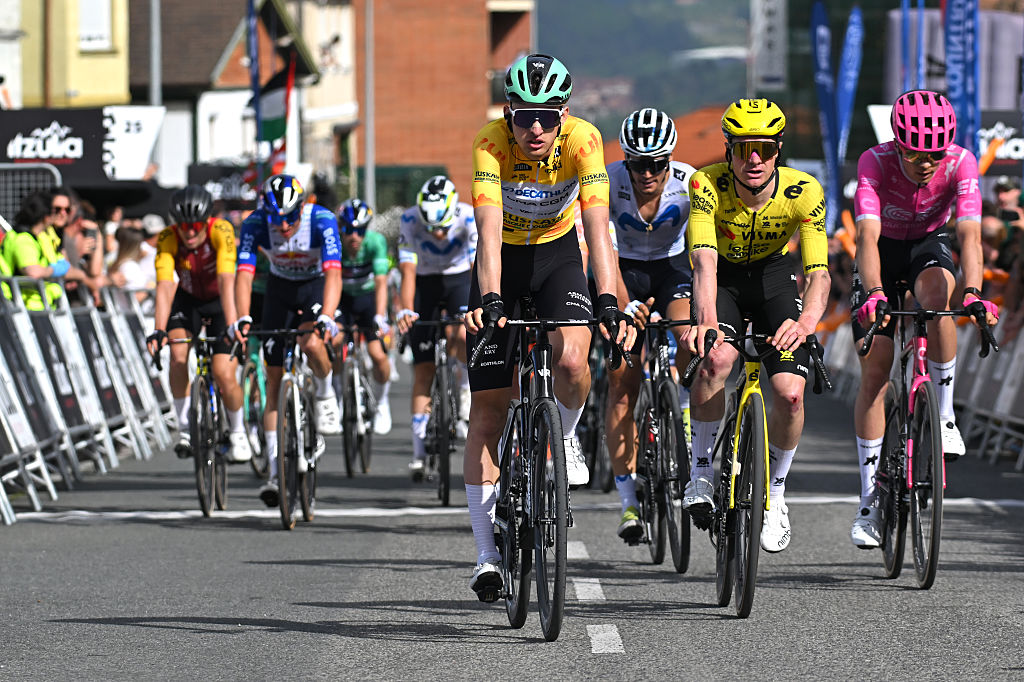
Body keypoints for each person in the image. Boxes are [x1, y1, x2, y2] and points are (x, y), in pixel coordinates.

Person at [464, 53, 633, 599]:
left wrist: (608, 296)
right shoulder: (490, 143)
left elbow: (598, 225)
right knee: (488, 409)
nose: (534, 128)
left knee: (572, 359)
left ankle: (563, 436)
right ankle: (487, 556)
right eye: (523, 116)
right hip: (503, 263)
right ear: (508, 113)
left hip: (558, 257)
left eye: (546, 116)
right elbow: (488, 232)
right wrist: (490, 297)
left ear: (563, 115)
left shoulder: (584, 140)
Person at [848, 90, 997, 549]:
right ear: (897, 141)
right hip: (882, 254)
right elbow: (867, 238)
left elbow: (970, 236)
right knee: (876, 370)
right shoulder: (874, 162)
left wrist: (973, 291)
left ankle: (945, 416)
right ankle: (870, 502)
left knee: (939, 296)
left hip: (928, 247)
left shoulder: (961, 163)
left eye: (934, 152)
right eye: (915, 151)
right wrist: (873, 292)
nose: (926, 162)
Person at [683, 98, 831, 554]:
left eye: (764, 149)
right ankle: (702, 471)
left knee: (788, 392)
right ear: (728, 149)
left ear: (777, 151)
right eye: (744, 148)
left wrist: (805, 323)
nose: (753, 159)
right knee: (717, 359)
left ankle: (777, 494)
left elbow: (819, 271)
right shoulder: (706, 183)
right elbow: (704, 261)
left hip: (773, 280)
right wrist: (706, 322)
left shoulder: (804, 190)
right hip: (722, 280)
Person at [603, 108, 697, 542]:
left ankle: (681, 401)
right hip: (622, 269)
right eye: (637, 163)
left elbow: (703, 252)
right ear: (625, 159)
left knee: (690, 337)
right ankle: (627, 503)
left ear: (670, 160)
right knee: (622, 381)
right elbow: (598, 247)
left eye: (656, 163)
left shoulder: (689, 182)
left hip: (671, 268)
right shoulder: (607, 182)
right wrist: (625, 305)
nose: (647, 173)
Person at [234, 174, 342, 507]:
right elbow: (244, 274)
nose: (282, 228)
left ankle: (325, 396)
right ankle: (273, 467)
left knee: (311, 344)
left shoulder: (321, 219)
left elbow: (334, 272)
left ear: (302, 208)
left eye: (290, 219)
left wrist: (328, 314)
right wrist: (242, 316)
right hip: (278, 290)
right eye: (275, 221)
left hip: (314, 285)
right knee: (273, 376)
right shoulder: (254, 224)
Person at [144, 185, 252, 465]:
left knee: (223, 372)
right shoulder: (168, 237)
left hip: (220, 301)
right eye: (184, 227)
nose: (190, 233)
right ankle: (184, 428)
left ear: (205, 221)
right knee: (178, 356)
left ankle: (238, 432)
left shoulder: (222, 230)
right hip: (188, 300)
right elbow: (166, 285)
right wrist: (158, 329)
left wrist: (232, 325)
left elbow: (228, 280)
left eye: (195, 226)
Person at [395, 175, 478, 478]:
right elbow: (407, 271)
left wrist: (477, 307)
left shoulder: (469, 215)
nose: (439, 234)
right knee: (423, 368)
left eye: (443, 226)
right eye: (432, 228)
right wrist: (405, 309)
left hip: (459, 279)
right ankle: (418, 453)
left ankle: (466, 391)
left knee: (462, 334)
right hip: (425, 283)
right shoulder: (409, 219)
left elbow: (476, 268)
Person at [335, 198, 395, 436]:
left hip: (368, 300)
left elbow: (381, 283)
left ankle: (382, 403)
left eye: (359, 230)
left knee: (377, 354)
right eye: (348, 230)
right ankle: (339, 397)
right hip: (342, 300)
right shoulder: (335, 243)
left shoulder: (375, 242)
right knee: (335, 341)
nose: (354, 237)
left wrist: (380, 315)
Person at [1, 191, 93, 309]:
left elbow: (64, 265)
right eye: (56, 210)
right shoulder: (23, 239)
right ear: (45, 214)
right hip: (24, 306)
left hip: (40, 306)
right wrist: (54, 270)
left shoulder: (39, 238)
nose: (60, 215)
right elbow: (33, 272)